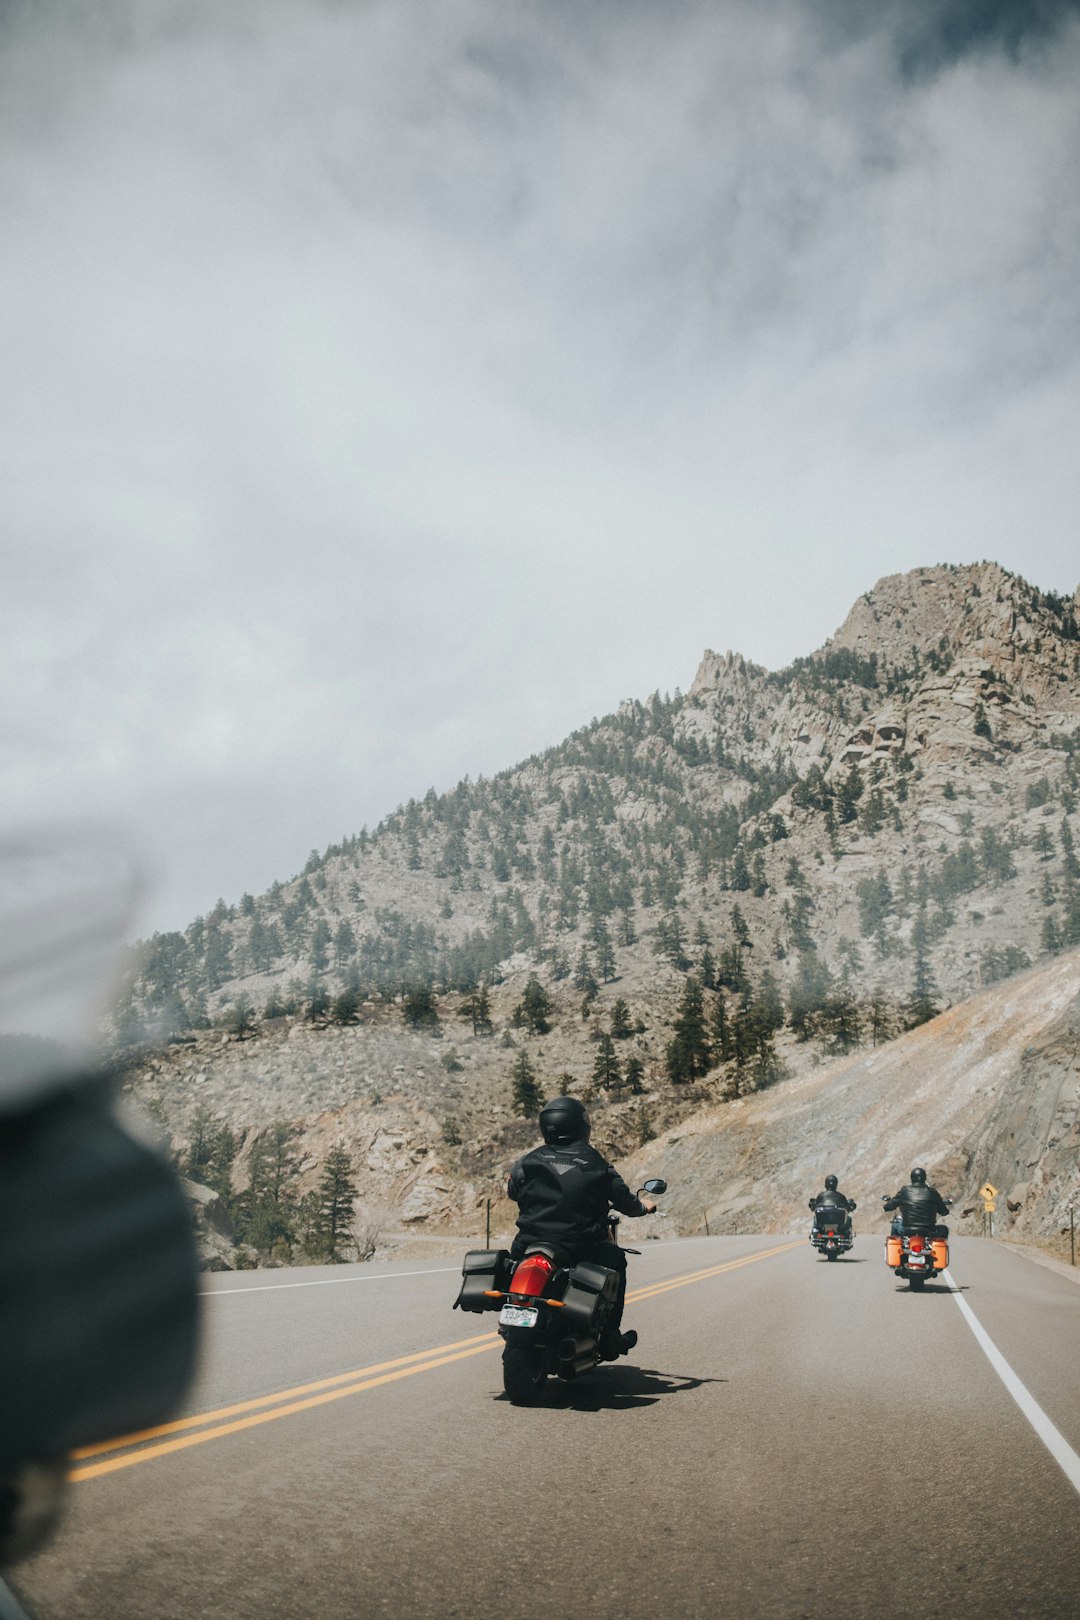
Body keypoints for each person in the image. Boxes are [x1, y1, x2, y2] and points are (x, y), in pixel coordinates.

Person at [506, 1096, 656, 1359]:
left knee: (514, 1263)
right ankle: (609, 1335)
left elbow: (512, 1192)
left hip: (528, 1244)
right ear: (581, 1125)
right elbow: (625, 1202)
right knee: (617, 1262)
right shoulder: (595, 1162)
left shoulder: (527, 1162)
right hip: (579, 1246)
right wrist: (644, 1206)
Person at [882, 1167, 950, 1235]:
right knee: (944, 1229)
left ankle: (897, 1245)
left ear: (912, 1178)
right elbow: (944, 1212)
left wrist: (886, 1207)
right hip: (929, 1230)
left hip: (906, 1229)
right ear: (924, 1178)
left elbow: (891, 1204)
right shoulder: (932, 1192)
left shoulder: (905, 1191)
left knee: (895, 1226)